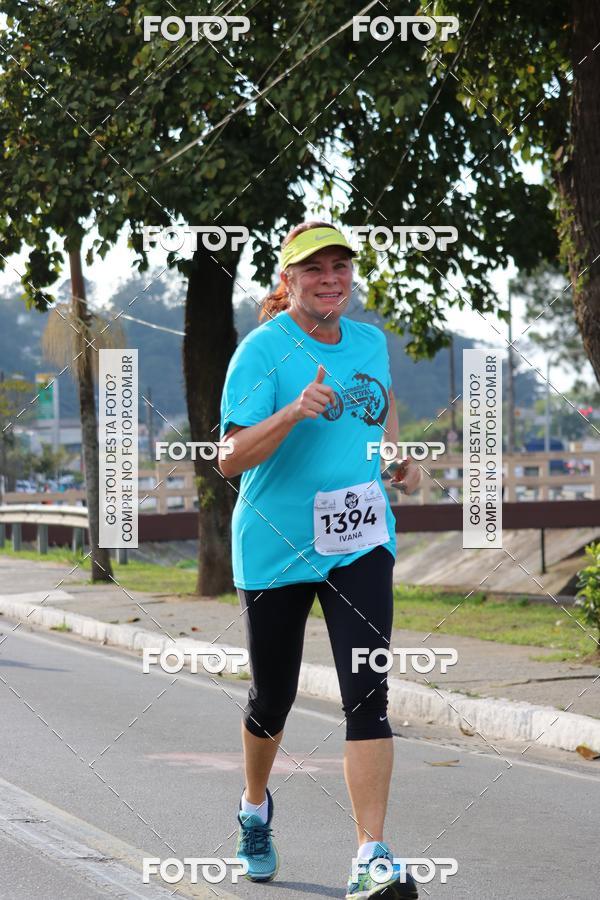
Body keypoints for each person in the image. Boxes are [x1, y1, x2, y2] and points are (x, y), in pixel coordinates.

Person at [218, 221, 422, 898]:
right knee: (272, 697)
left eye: (340, 266)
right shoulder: (262, 352)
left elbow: (383, 411)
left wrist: (395, 457)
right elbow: (229, 457)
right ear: (288, 280)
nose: (329, 278)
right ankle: (254, 807)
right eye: (314, 269)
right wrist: (291, 414)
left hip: (359, 540)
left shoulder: (369, 340)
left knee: (368, 692)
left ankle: (371, 853)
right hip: (275, 544)